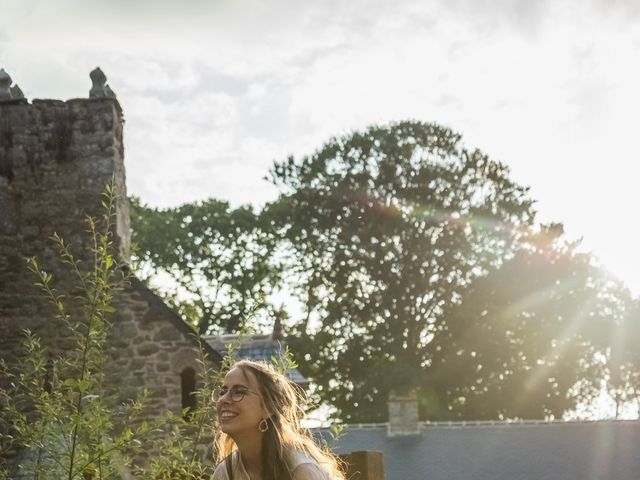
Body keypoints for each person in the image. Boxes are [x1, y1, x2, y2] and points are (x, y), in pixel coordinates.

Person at [212, 359, 345, 480]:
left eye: (239, 392)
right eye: (223, 392)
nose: (223, 399)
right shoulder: (225, 473)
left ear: (269, 408)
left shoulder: (301, 472)